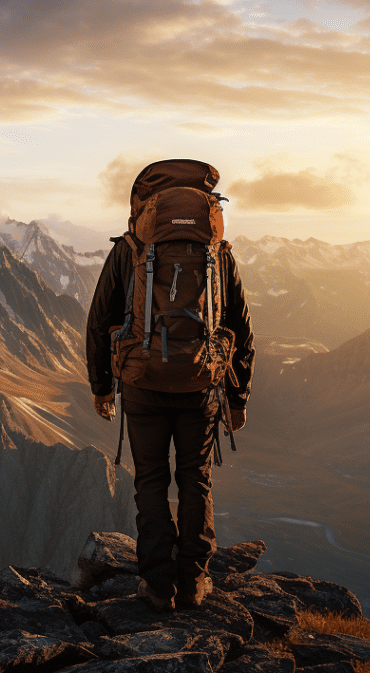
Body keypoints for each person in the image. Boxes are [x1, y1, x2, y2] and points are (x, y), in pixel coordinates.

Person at [85, 159, 254, 611]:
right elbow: (239, 323)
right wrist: (238, 397)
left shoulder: (131, 248)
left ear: (143, 206)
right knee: (196, 480)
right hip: (202, 382)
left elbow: (100, 318)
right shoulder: (217, 252)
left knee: (152, 481)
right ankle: (195, 581)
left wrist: (102, 386)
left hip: (142, 382)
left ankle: (158, 583)